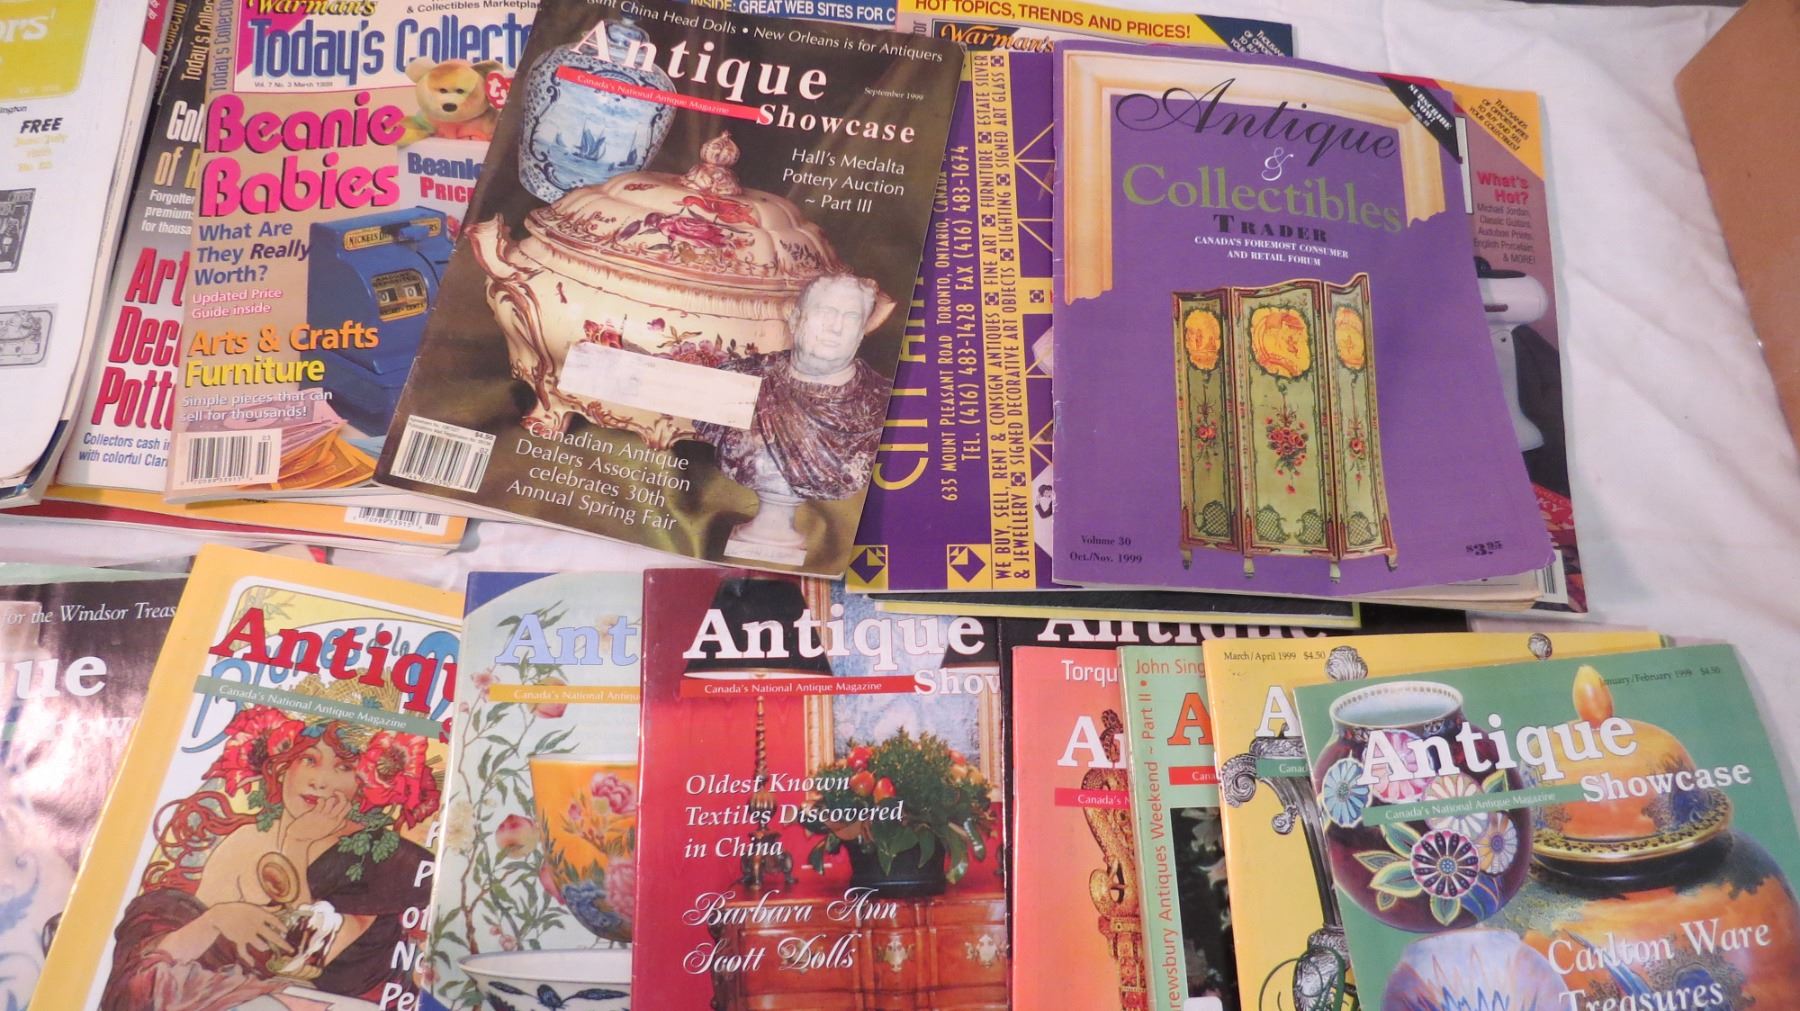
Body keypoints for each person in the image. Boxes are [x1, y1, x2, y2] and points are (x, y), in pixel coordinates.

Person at [100, 705, 438, 1010]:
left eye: (343, 767)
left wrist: (297, 845)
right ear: (283, 766)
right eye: (309, 760)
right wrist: (215, 919)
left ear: (369, 782)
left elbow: (297, 961)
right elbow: (189, 959)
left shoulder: (388, 860)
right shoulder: (245, 840)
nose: (319, 782)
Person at [698, 273, 892, 553]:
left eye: (851, 317)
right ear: (796, 318)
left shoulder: (882, 403)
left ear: (863, 330)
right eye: (826, 312)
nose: (836, 327)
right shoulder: (740, 379)